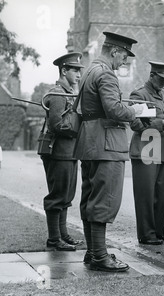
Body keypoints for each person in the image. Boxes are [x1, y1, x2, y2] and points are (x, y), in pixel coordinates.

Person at [73, 32, 143, 272]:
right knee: (105, 200)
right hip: (107, 144)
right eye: (123, 56)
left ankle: (93, 252)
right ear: (114, 51)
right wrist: (135, 111)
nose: (124, 61)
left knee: (90, 198)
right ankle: (101, 256)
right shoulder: (106, 74)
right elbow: (113, 109)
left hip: (89, 142)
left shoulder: (89, 71)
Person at [129, 61, 164, 245]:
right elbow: (135, 124)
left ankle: (158, 230)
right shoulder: (139, 95)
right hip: (145, 151)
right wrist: (160, 124)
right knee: (146, 195)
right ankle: (147, 234)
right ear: (152, 76)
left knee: (163, 192)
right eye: (162, 79)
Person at [41, 52, 85, 251]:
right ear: (64, 70)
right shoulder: (58, 94)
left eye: (79, 70)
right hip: (59, 152)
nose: (78, 74)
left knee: (66, 196)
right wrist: (80, 129)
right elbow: (57, 125)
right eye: (74, 70)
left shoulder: (69, 92)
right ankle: (54, 238)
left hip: (69, 152)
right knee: (57, 195)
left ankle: (63, 235)